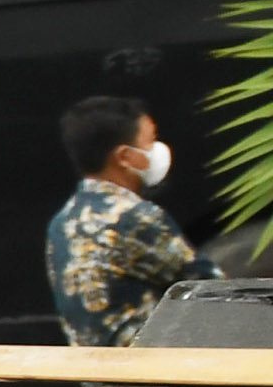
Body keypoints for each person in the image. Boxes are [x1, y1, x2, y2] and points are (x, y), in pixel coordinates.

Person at [47, 94, 219, 349]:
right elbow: (213, 287)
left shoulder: (62, 222)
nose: (158, 150)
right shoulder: (133, 217)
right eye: (150, 142)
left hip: (96, 383)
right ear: (125, 157)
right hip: (149, 377)